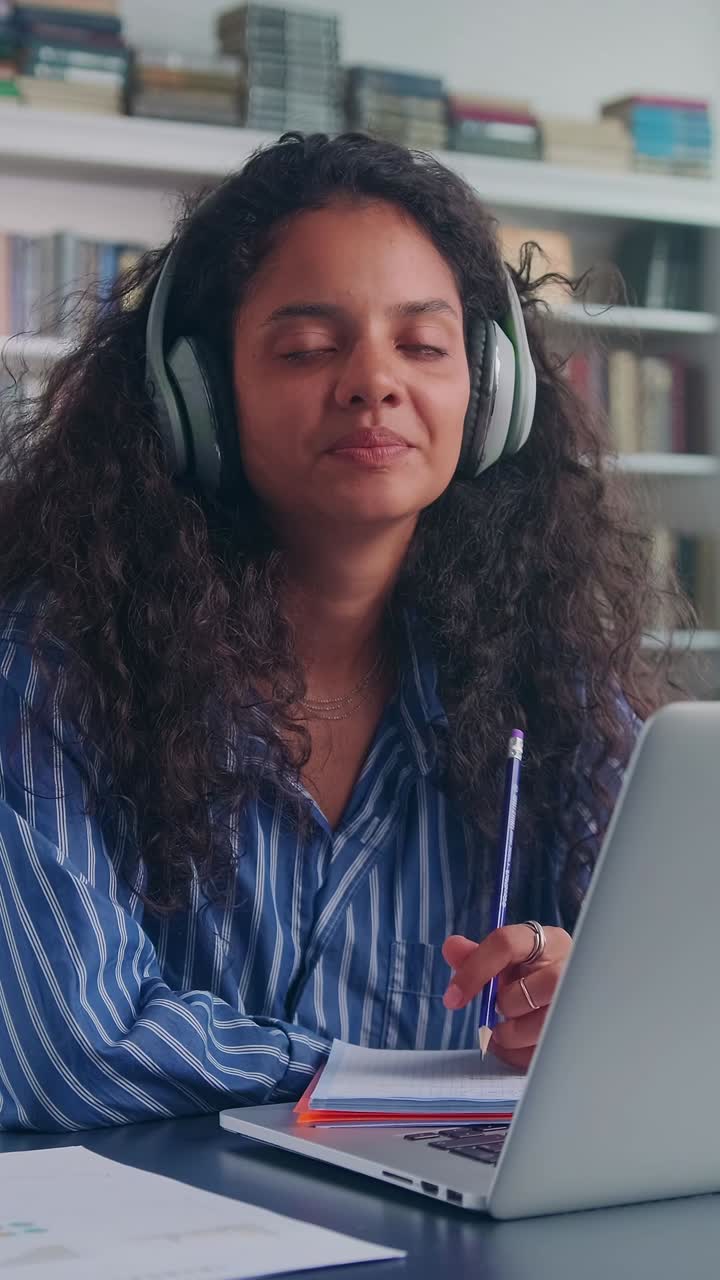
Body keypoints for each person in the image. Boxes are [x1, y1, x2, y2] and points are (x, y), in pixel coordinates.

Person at [0, 131, 687, 1132]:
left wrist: (581, 1007)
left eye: (423, 345)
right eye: (308, 347)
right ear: (199, 395)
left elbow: (670, 1016)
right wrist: (427, 1079)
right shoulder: (51, 667)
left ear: (489, 393)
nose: (374, 382)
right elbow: (66, 1053)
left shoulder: (556, 683)